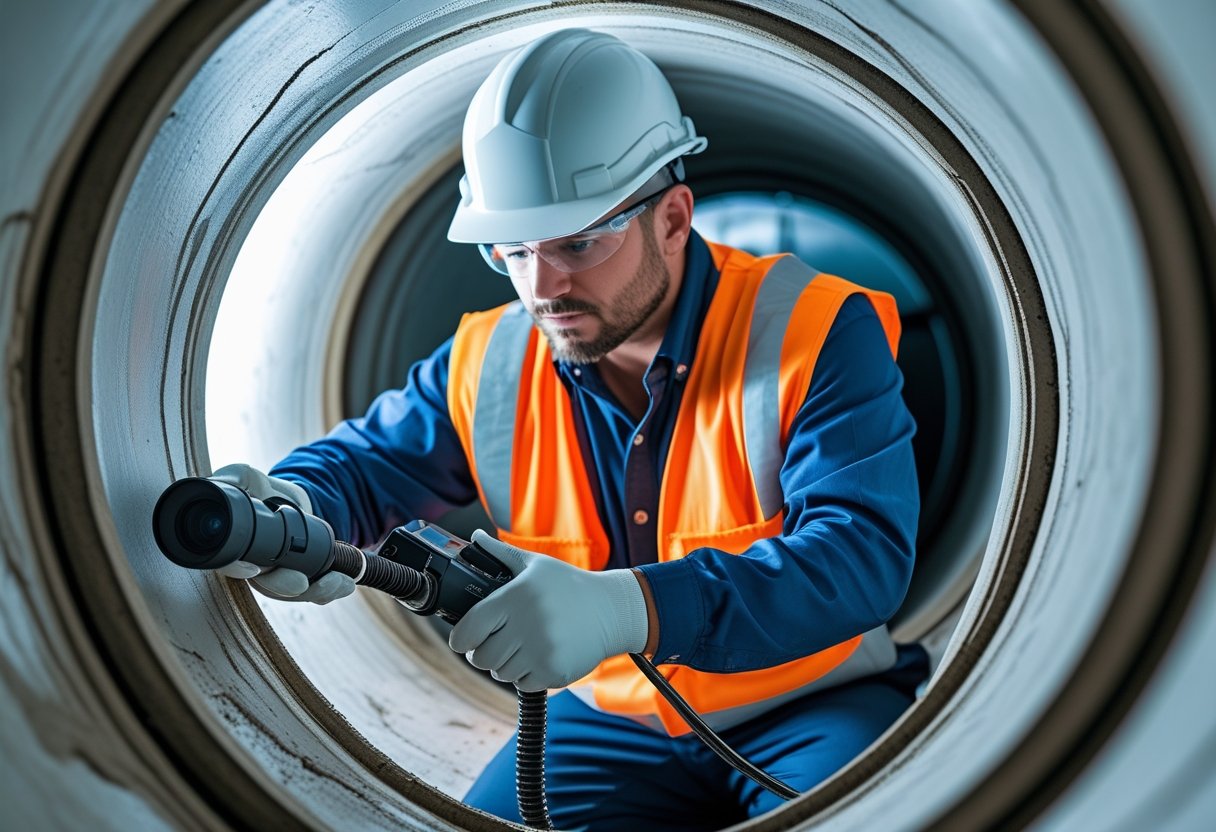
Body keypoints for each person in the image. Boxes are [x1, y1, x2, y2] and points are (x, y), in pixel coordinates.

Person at [214, 27, 928, 831]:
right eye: (511, 251)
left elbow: (858, 557)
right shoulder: (491, 360)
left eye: (579, 243)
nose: (542, 286)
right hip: (610, 719)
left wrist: (628, 610)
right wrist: (289, 504)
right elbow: (367, 466)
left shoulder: (815, 328)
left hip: (809, 699)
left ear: (673, 218)